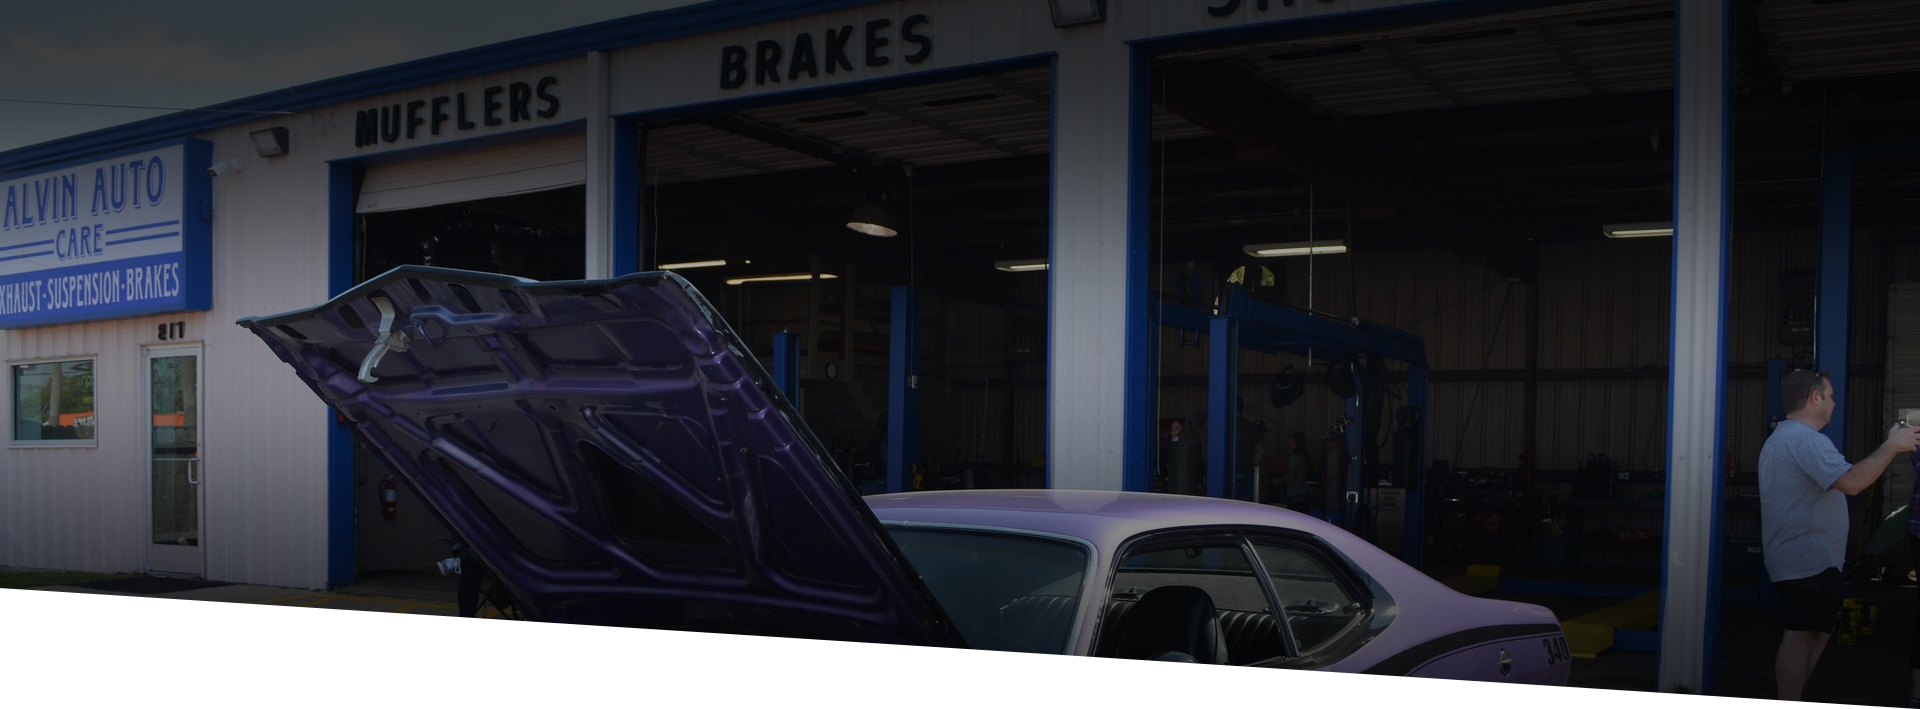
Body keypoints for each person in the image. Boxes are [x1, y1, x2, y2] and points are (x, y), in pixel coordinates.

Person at [1759, 369, 1920, 701]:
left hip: (1806, 560)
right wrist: (1891, 446)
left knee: (1815, 634)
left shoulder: (1783, 438)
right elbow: (1853, 483)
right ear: (1815, 398)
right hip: (1808, 561)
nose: (1834, 403)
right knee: (1800, 636)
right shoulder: (1806, 440)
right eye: (1830, 396)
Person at [1161, 419, 1204, 496]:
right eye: (1172, 428)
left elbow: (1198, 465)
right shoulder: (1166, 449)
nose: (1173, 430)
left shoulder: (1191, 444)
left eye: (1177, 428)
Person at [1281, 432, 1315, 511]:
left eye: (1292, 441)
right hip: (1303, 491)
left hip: (1294, 493)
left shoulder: (1295, 458)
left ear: (1298, 442)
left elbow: (1290, 476)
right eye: (1289, 440)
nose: (1290, 443)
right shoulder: (1304, 457)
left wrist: (1278, 480)